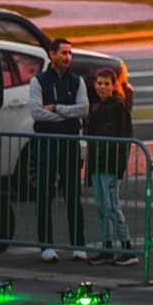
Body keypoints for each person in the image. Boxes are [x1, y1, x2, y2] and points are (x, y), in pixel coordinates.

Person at [29, 38, 89, 262]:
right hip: (46, 143)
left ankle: (78, 244)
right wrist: (66, 114)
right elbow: (37, 112)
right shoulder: (39, 81)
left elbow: (83, 109)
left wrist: (57, 108)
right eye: (63, 53)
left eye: (69, 53)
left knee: (73, 194)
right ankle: (46, 245)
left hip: (70, 143)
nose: (67, 58)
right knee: (45, 194)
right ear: (52, 54)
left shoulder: (76, 82)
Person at [84, 66, 138, 266]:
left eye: (107, 83)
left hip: (110, 163)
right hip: (97, 162)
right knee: (100, 206)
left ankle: (127, 248)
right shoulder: (97, 107)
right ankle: (106, 246)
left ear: (114, 85)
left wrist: (119, 166)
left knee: (112, 206)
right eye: (100, 83)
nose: (103, 87)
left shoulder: (118, 107)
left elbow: (125, 137)